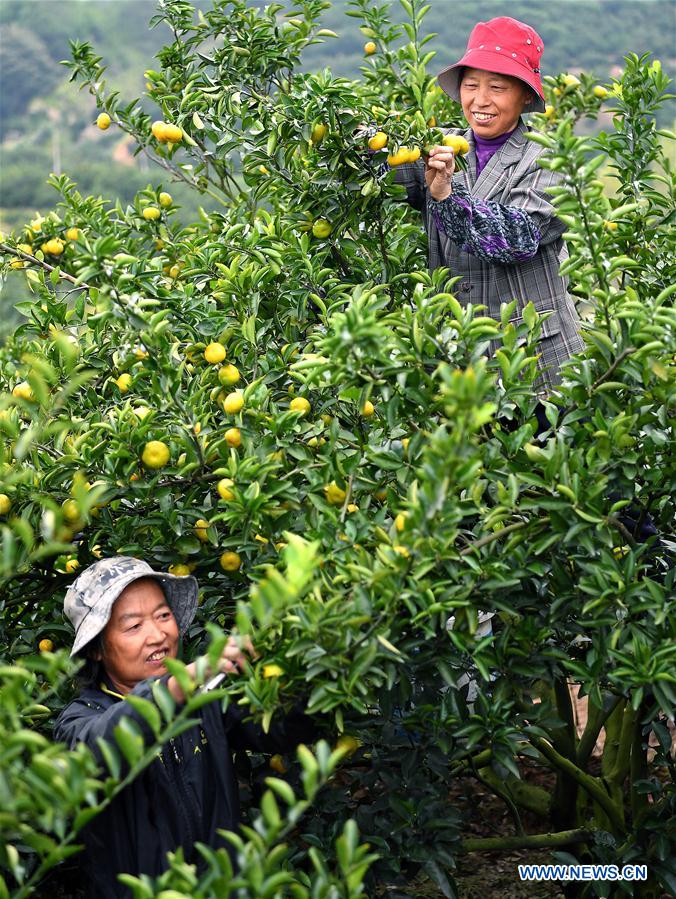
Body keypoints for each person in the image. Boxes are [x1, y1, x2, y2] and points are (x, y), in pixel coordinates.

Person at [54, 556, 316, 899]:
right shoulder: (79, 722)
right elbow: (107, 743)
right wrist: (186, 679)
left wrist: (313, 667)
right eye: (134, 626)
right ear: (98, 649)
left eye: (163, 616)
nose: (158, 635)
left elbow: (282, 728)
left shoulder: (204, 701)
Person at [393, 16, 584, 399]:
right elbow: (386, 182)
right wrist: (358, 139)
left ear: (525, 96)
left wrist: (447, 196)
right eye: (471, 85)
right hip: (460, 363)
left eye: (497, 87)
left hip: (536, 364)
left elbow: (517, 237)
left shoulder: (548, 160)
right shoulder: (440, 147)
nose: (481, 100)